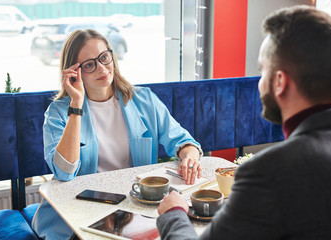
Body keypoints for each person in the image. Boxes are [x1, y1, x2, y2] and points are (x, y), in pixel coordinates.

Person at [156, 5, 331, 239]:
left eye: (263, 71)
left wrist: (173, 214)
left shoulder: (268, 172)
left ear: (280, 81)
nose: (260, 83)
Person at [31, 29, 203, 240]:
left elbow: (184, 142)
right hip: (78, 212)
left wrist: (190, 157)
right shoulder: (59, 112)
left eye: (104, 57)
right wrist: (76, 105)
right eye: (89, 64)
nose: (102, 68)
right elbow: (64, 171)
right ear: (74, 72)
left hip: (134, 208)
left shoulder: (145, 100)